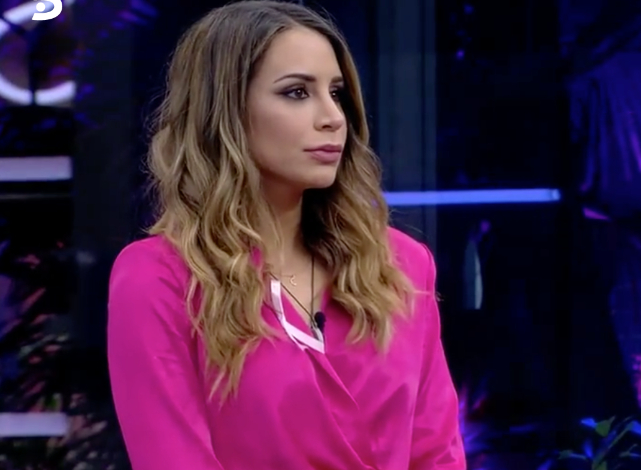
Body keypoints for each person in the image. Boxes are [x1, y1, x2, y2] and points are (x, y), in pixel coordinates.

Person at [105, 2, 465, 469]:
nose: (333, 117)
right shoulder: (160, 278)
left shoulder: (403, 265)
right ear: (226, 111)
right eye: (297, 92)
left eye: (336, 93)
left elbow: (436, 453)